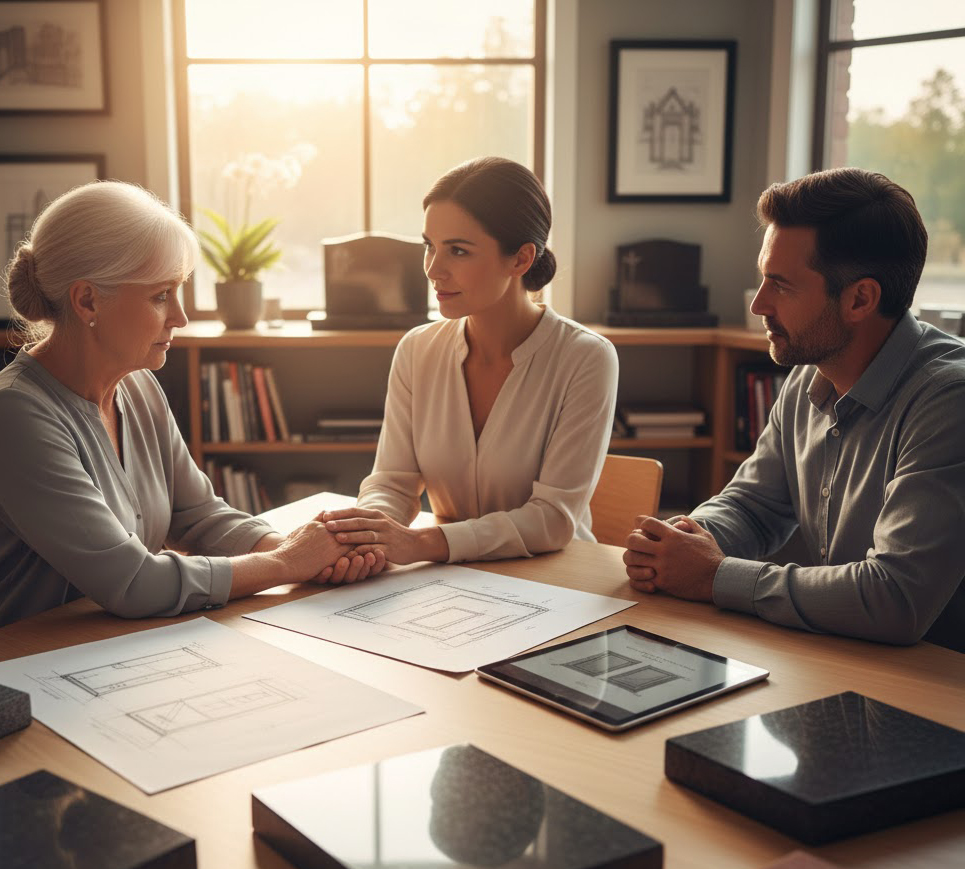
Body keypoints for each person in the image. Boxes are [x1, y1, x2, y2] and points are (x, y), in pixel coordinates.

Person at [0, 181, 381, 627]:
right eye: (161, 295)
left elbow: (200, 517)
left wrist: (304, 550)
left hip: (114, 649)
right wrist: (289, 563)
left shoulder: (138, 386)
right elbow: (134, 582)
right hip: (31, 671)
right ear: (87, 300)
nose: (180, 317)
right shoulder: (17, 415)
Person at [624, 167, 965, 650]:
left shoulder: (949, 401)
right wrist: (683, 540)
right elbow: (754, 507)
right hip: (843, 656)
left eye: (780, 286)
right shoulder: (813, 372)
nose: (759, 305)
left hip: (937, 691)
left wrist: (714, 575)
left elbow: (896, 598)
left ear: (860, 299)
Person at [320, 156, 619, 565]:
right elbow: (392, 483)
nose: (433, 270)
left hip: (556, 580)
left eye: (458, 251)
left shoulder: (585, 358)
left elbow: (552, 520)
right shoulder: (417, 349)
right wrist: (366, 533)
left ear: (520, 259)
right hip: (449, 580)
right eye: (430, 246)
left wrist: (422, 544)